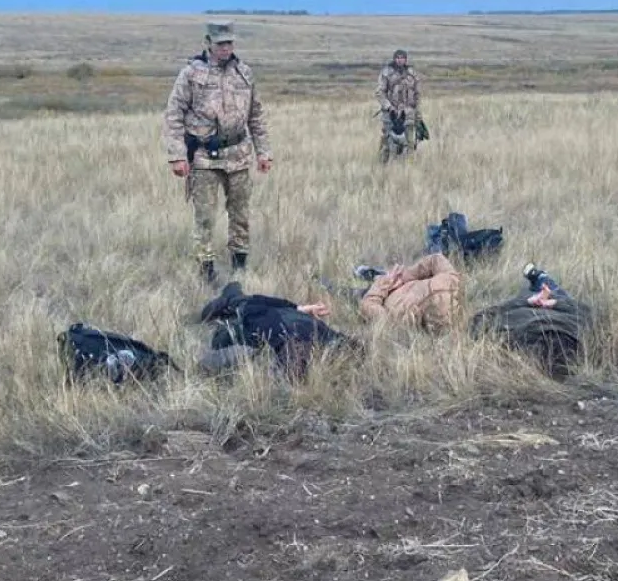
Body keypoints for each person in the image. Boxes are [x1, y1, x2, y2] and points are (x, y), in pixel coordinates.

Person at [163, 21, 273, 286]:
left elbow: (255, 115)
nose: (226, 48)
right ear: (208, 42)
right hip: (204, 157)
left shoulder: (244, 73)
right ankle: (206, 267)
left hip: (238, 155)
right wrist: (177, 155)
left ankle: (239, 263)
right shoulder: (191, 74)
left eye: (230, 43)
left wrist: (264, 152)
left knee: (240, 213)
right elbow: (174, 114)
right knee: (204, 215)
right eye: (221, 43)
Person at [196, 281, 351, 375]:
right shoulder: (250, 310)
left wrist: (298, 308)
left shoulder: (247, 308)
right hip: (270, 314)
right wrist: (298, 308)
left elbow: (217, 339)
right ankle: (230, 292)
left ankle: (231, 292)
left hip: (277, 319)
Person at [357, 253, 463, 330]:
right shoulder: (451, 283)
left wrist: (384, 282)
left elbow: (367, 306)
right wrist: (406, 276)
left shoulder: (401, 318)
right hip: (394, 285)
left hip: (380, 294)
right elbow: (436, 260)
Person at [375, 48, 421, 161]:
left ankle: (408, 167)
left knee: (410, 142)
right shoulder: (386, 73)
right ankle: (383, 164)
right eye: (398, 58)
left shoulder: (412, 73)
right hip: (391, 114)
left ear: (406, 59)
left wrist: (417, 114)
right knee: (387, 141)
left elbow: (417, 94)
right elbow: (379, 93)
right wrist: (388, 106)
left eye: (402, 58)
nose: (400, 60)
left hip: (408, 113)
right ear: (394, 59)